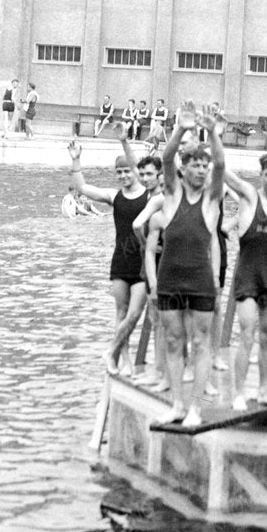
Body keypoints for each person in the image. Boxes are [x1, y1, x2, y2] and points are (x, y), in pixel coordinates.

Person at [143, 106, 226, 429]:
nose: (202, 170)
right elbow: (166, 158)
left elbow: (221, 165)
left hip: (201, 279)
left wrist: (213, 134)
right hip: (170, 278)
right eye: (196, 165)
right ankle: (177, 405)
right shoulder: (172, 194)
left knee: (201, 343)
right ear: (185, 168)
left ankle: (196, 408)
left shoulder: (212, 199)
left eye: (205, 166)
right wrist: (181, 128)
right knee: (174, 341)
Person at [67, 132, 150, 373]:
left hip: (144, 262)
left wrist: (124, 142)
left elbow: (137, 165)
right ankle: (123, 359)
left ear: (135, 171)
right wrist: (76, 160)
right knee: (121, 312)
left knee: (135, 313)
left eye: (127, 171)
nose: (123, 176)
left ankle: (111, 350)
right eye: (119, 172)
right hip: (121, 261)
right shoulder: (115, 196)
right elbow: (82, 187)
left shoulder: (150, 195)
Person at [224, 153, 267, 410]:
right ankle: (239, 393)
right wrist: (212, 139)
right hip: (248, 278)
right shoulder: (250, 197)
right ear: (261, 175)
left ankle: (265, 391)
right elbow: (224, 171)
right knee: (247, 336)